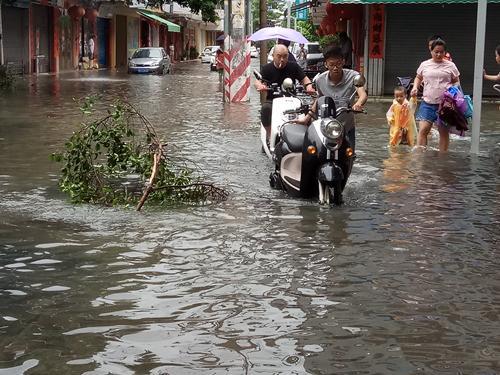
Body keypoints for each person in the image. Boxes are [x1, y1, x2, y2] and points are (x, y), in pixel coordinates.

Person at [297, 46, 367, 150]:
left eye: (338, 64)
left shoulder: (354, 77)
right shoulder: (320, 80)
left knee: (350, 155)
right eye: (332, 64)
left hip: (347, 126)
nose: (335, 68)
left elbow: (363, 95)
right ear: (326, 64)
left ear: (343, 62)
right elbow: (318, 99)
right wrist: (307, 118)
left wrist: (358, 104)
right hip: (326, 126)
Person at [254, 44, 315, 139]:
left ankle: (307, 136)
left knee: (308, 110)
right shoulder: (267, 68)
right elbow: (258, 81)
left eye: (285, 56)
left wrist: (309, 87)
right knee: (265, 109)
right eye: (279, 56)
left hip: (292, 99)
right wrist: (261, 86)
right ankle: (269, 135)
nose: (282, 59)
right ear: (273, 56)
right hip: (273, 100)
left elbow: (305, 79)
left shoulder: (294, 66)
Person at [411, 38, 460, 152]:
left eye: (441, 52)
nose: (438, 54)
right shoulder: (424, 64)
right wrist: (415, 87)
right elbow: (418, 77)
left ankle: (442, 159)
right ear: (431, 51)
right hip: (427, 102)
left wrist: (454, 89)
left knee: (443, 132)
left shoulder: (450, 66)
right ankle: (421, 155)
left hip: (445, 104)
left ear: (445, 52)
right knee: (423, 130)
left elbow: (456, 81)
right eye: (436, 52)